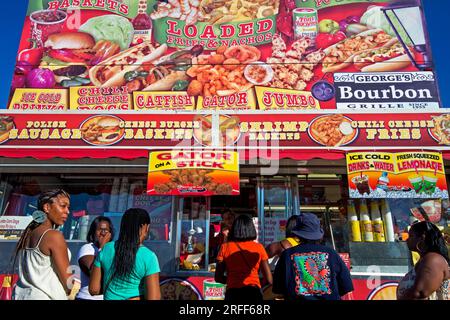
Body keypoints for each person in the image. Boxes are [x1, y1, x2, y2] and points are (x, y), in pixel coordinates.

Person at [273, 213, 354, 300]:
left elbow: (278, 288)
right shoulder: (331, 254)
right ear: (319, 234)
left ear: (298, 234)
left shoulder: (287, 255)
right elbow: (346, 286)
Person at [12, 189, 74, 300]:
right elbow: (68, 283)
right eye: (63, 206)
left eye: (68, 207)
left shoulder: (28, 232)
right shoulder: (54, 236)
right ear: (46, 207)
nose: (67, 211)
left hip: (21, 295)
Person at [89, 208, 161, 300]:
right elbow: (154, 298)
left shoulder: (106, 248)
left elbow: (93, 289)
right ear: (145, 227)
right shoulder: (149, 256)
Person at [214, 214, 272, 302]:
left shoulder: (225, 247)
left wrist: (232, 280)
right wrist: (255, 281)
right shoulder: (259, 248)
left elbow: (218, 277)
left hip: (233, 293)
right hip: (253, 293)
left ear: (234, 229)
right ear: (252, 229)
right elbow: (269, 279)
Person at [397, 221, 450, 300]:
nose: (407, 240)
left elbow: (420, 292)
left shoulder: (433, 260)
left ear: (422, 238)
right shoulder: (426, 260)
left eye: (411, 236)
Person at [76, 216, 114, 300]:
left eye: (106, 230)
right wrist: (102, 247)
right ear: (93, 232)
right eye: (100, 230)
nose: (103, 233)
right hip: (88, 297)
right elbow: (93, 273)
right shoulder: (87, 248)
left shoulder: (113, 250)